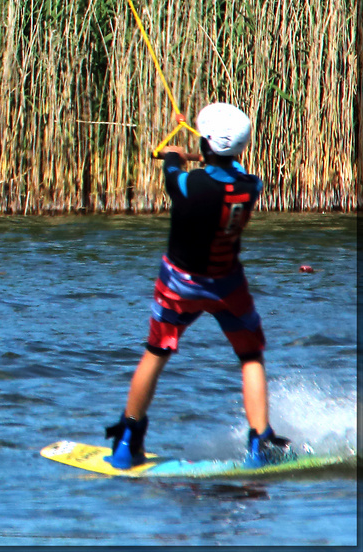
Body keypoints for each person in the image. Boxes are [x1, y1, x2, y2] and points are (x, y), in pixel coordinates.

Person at [105, 102, 290, 469]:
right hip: (226, 287)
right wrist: (204, 152)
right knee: (250, 356)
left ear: (205, 148)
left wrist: (174, 155)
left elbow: (173, 171)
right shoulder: (251, 186)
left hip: (180, 286)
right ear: (240, 149)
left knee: (156, 351)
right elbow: (228, 169)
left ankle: (129, 439)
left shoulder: (187, 185)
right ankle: (260, 441)